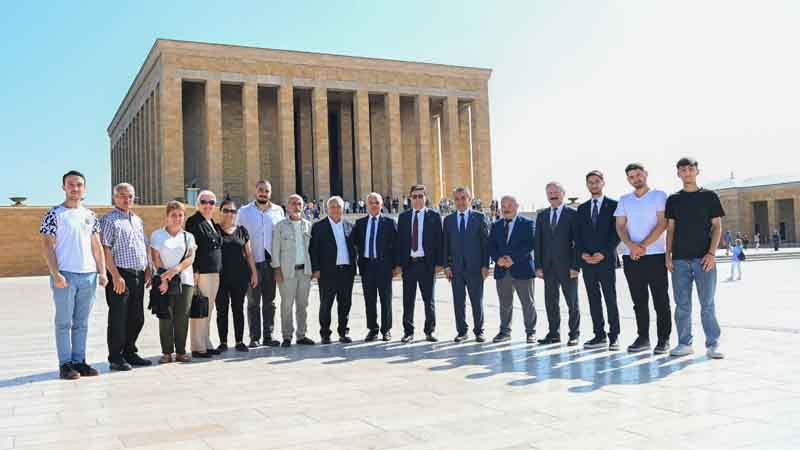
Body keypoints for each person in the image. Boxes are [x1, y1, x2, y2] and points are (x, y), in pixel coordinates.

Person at [40, 170, 107, 380]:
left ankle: (80, 361)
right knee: (63, 322)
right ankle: (65, 364)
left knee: (82, 322)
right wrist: (55, 273)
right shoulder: (54, 214)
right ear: (64, 187)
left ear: (84, 188)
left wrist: (102, 272)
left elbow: (96, 246)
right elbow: (47, 246)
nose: (75, 188)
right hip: (65, 275)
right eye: (71, 184)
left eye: (79, 185)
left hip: (88, 275)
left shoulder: (90, 216)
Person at [665, 157, 724, 359]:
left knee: (707, 304)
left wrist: (711, 253)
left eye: (691, 169)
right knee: (682, 305)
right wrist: (668, 256)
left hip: (704, 259)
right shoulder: (673, 199)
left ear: (697, 171)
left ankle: (713, 344)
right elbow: (670, 230)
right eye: (683, 169)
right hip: (680, 260)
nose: (687, 172)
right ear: (678, 173)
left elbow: (717, 227)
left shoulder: (710, 197)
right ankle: (684, 343)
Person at [614, 163, 671, 354]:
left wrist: (643, 246)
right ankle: (643, 337)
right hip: (632, 257)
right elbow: (620, 226)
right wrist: (632, 247)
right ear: (628, 179)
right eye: (631, 176)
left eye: (638, 175)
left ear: (645, 174)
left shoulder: (659, 195)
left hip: (655, 255)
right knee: (639, 301)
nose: (636, 179)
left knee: (660, 300)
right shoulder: (624, 200)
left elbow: (662, 223)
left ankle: (663, 339)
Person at [99, 183, 152, 371]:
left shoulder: (137, 220)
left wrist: (148, 269)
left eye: (129, 196)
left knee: (137, 318)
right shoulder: (108, 220)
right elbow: (105, 248)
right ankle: (115, 357)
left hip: (138, 275)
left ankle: (130, 351)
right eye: (122, 196)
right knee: (118, 318)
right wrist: (114, 275)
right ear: (114, 198)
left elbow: (144, 246)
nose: (126, 199)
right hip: (120, 275)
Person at [575, 171, 622, 350]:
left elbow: (617, 232)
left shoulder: (614, 205)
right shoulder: (582, 208)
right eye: (590, 182)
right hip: (587, 262)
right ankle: (599, 335)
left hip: (606, 259)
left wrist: (603, 252)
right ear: (587, 185)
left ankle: (614, 336)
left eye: (597, 182)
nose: (594, 185)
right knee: (593, 298)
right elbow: (577, 236)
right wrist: (583, 254)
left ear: (603, 183)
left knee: (610, 297)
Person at [237, 180, 285, 348]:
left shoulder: (278, 211)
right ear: (255, 191)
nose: (263, 193)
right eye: (260, 190)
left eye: (266, 190)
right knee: (253, 302)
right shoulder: (244, 212)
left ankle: (269, 335)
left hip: (271, 264)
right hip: (253, 263)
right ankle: (254, 337)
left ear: (270, 193)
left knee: (270, 302)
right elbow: (239, 237)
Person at [395, 185, 444, 343]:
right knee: (408, 300)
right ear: (410, 198)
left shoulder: (434, 216)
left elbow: (439, 242)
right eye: (414, 196)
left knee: (428, 300)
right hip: (409, 264)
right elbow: (400, 243)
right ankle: (408, 332)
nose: (417, 199)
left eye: (420, 196)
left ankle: (430, 331)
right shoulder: (403, 218)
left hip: (426, 264)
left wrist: (439, 263)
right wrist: (399, 264)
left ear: (425, 198)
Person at [534, 182, 581, 346]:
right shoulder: (542, 216)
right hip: (548, 268)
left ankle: (574, 334)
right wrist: (538, 266)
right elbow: (538, 243)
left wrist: (576, 266)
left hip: (568, 268)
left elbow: (578, 242)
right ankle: (554, 333)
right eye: (549, 193)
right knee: (551, 302)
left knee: (572, 303)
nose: (552, 195)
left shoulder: (573, 215)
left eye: (555, 192)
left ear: (563, 193)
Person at [150, 201, 197, 363]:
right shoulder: (158, 235)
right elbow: (155, 258)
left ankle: (181, 351)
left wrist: (175, 270)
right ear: (167, 217)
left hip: (185, 281)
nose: (177, 218)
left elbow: (190, 258)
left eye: (180, 215)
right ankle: (167, 352)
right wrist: (164, 278)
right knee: (165, 315)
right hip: (164, 282)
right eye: (173, 215)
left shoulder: (188, 236)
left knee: (182, 316)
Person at [443, 187, 490, 343]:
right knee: (458, 301)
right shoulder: (448, 220)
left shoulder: (479, 217)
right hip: (456, 268)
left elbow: (485, 244)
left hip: (475, 268)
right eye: (457, 199)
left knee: (476, 300)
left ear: (470, 199)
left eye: (463, 198)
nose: (460, 202)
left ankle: (479, 331)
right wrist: (446, 266)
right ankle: (462, 331)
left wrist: (485, 265)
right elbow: (446, 246)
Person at [488, 195, 537, 343]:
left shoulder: (527, 223)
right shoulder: (496, 225)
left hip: (522, 269)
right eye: (503, 205)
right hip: (502, 270)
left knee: (527, 303)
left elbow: (529, 244)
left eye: (509, 205)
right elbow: (491, 246)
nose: (506, 208)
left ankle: (531, 332)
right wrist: (498, 259)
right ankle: (504, 332)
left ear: (517, 206)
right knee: (504, 303)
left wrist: (513, 259)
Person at [310, 196, 357, 344]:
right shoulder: (319, 227)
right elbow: (314, 250)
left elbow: (354, 248)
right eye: (333, 206)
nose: (336, 209)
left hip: (346, 271)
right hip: (327, 272)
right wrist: (316, 269)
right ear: (327, 209)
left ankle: (343, 332)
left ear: (343, 209)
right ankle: (325, 333)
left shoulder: (349, 226)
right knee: (326, 304)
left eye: (338, 206)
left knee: (345, 303)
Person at [353, 193, 398, 341]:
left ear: (381, 205)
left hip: (384, 266)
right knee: (369, 300)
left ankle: (386, 330)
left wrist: (397, 266)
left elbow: (396, 245)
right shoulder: (360, 224)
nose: (374, 205)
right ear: (366, 205)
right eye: (371, 202)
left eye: (376, 202)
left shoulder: (389, 223)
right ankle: (373, 329)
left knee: (386, 299)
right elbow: (352, 243)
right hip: (367, 266)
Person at [272, 194, 316, 347]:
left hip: (305, 272)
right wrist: (277, 270)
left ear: (303, 206)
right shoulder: (280, 226)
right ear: (287, 206)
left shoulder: (308, 225)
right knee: (287, 305)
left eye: (299, 203)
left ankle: (302, 335)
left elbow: (313, 249)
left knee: (303, 305)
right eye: (293, 203)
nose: (296, 206)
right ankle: (287, 336)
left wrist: (313, 270)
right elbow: (275, 250)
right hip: (287, 272)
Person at [216, 199, 258, 352]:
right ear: (220, 212)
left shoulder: (242, 231)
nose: (229, 214)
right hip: (220, 277)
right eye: (226, 210)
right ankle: (223, 342)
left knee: (238, 308)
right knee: (222, 309)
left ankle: (239, 341)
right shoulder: (214, 229)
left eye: (233, 211)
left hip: (240, 276)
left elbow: (249, 254)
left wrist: (254, 273)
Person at [184, 190, 222, 358]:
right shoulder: (194, 222)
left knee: (208, 309)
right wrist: (195, 271)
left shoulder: (210, 221)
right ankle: (198, 346)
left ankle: (206, 341)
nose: (208, 205)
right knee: (200, 308)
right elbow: (193, 248)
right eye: (204, 201)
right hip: (203, 272)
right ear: (198, 204)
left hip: (214, 272)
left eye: (211, 202)